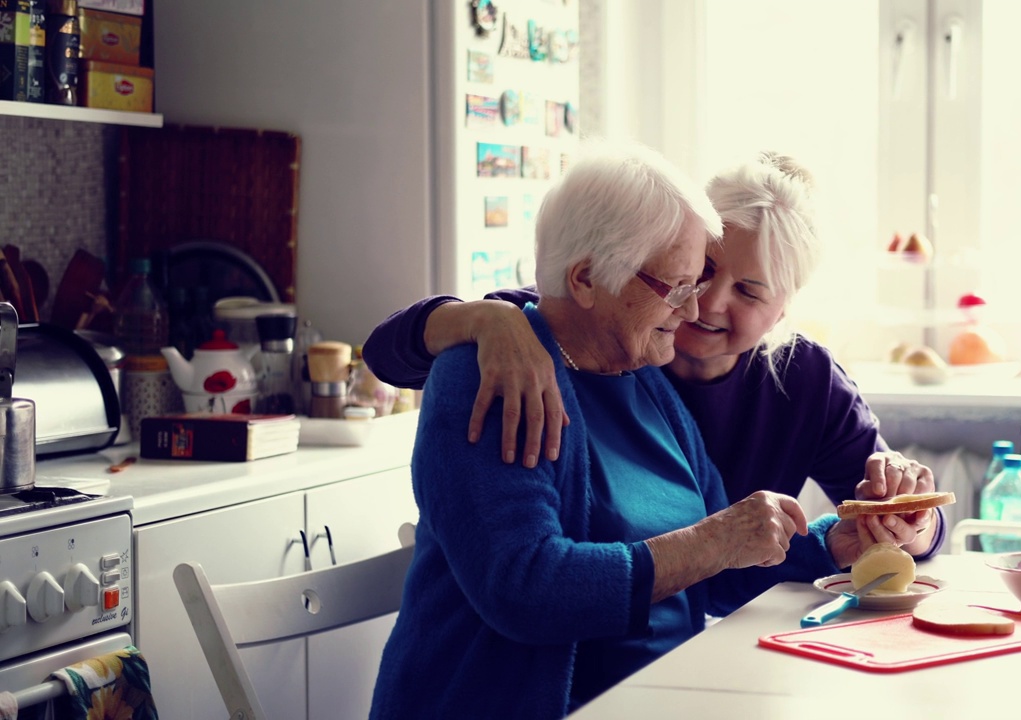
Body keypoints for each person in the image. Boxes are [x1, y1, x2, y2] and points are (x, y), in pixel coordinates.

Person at [370, 142, 921, 719]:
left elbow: (715, 573)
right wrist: (712, 542)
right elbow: (525, 590)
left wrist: (835, 543)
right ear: (586, 280)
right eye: (680, 285)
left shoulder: (643, 377)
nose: (694, 311)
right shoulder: (493, 374)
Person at [364, 151, 944, 559]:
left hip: (698, 624)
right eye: (700, 272)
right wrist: (481, 319)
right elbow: (389, 357)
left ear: (784, 310)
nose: (705, 303)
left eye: (749, 290)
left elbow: (895, 516)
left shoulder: (806, 378)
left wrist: (909, 522)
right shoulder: (583, 330)